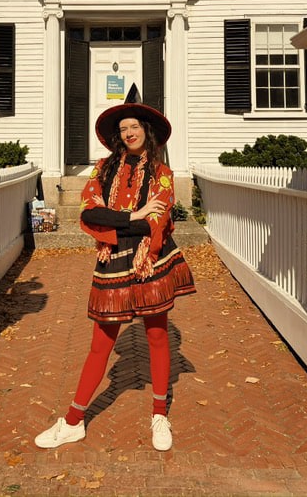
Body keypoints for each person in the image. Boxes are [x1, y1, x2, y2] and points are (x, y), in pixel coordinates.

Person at [35, 99, 196, 452]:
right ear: (117, 136)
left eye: (135, 126)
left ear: (147, 131)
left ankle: (158, 414)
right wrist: (133, 216)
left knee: (156, 336)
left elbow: (158, 220)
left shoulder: (162, 173)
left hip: (149, 259)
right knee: (100, 344)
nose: (129, 132)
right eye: (123, 129)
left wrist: (127, 219)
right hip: (112, 260)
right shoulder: (104, 169)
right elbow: (90, 212)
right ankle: (74, 422)